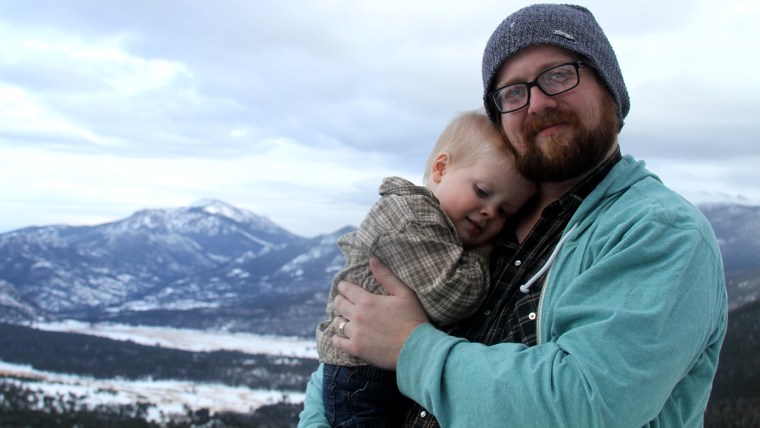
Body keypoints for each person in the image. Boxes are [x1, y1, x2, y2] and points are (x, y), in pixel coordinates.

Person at [300, 4, 727, 427]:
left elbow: (585, 403)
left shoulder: (658, 231)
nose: (537, 103)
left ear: (611, 87)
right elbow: (356, 336)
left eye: (559, 74)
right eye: (513, 92)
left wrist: (410, 346)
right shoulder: (485, 220)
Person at [315, 110, 536, 427]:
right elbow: (451, 297)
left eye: (504, 211)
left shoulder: (436, 225)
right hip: (362, 375)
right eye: (482, 192)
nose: (489, 212)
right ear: (441, 168)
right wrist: (482, 254)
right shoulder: (415, 219)